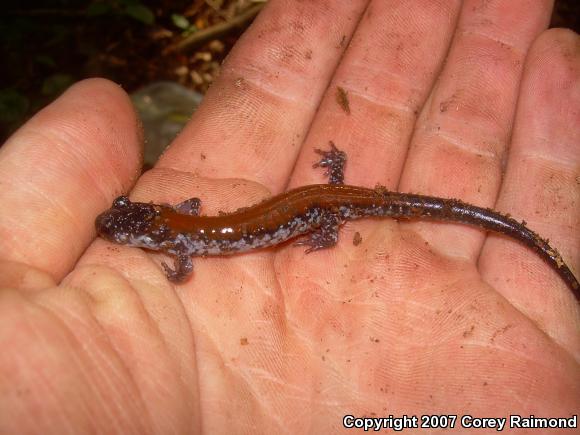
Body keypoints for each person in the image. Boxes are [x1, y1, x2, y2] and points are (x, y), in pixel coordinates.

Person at [0, 1, 578, 432]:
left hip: (326, 205)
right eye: (123, 222)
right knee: (324, 205)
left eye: (124, 223)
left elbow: (186, 251)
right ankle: (338, 200)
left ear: (145, 229)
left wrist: (181, 269)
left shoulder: (178, 243)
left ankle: (339, 212)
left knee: (332, 211)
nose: (120, 227)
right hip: (319, 200)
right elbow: (192, 211)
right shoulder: (177, 224)